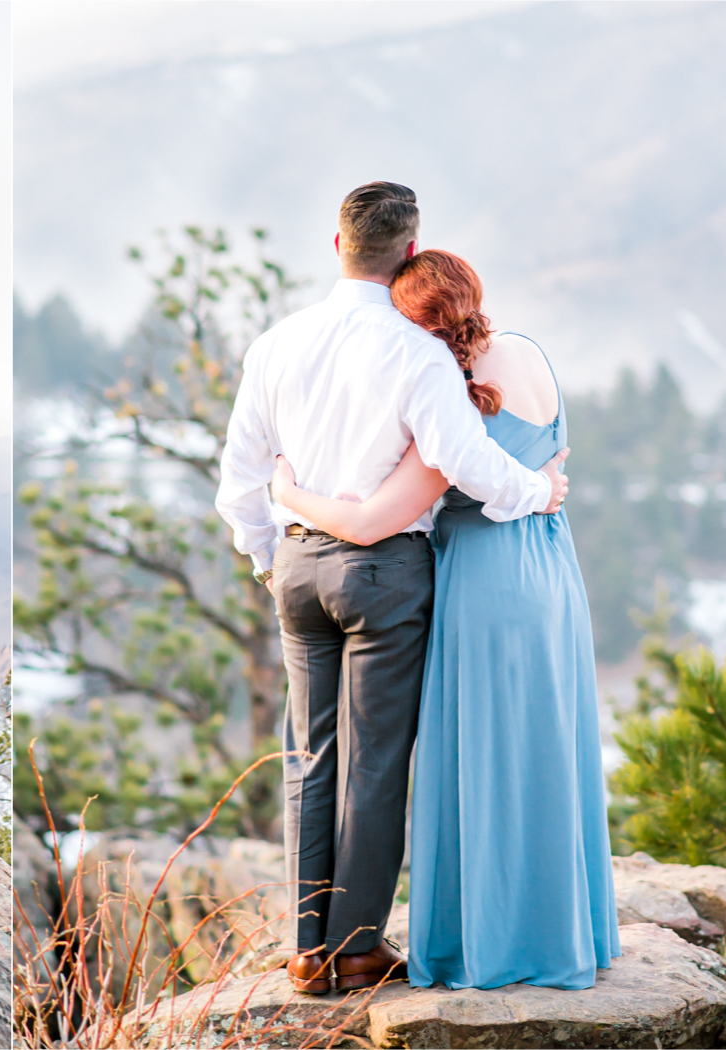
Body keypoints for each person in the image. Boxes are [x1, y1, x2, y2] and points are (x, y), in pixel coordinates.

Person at [215, 182, 569, 994]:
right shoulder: (415, 350)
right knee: (374, 764)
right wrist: (538, 492)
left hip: (299, 566)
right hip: (384, 574)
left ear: (335, 244)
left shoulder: (275, 343)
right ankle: (358, 949)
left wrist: (272, 560)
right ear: (408, 252)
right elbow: (471, 465)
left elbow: (241, 480)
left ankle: (307, 948)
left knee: (311, 757)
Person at [269, 249, 621, 990]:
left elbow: (367, 521)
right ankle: (566, 932)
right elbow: (550, 465)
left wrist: (289, 495)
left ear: (415, 325)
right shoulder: (529, 355)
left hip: (483, 585)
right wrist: (539, 487)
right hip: (551, 575)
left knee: (482, 761)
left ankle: (489, 944)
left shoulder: (454, 408)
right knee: (544, 751)